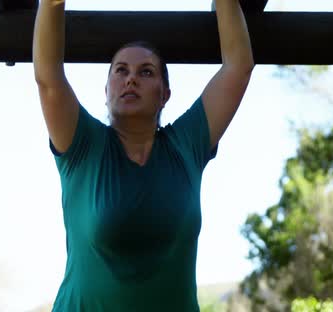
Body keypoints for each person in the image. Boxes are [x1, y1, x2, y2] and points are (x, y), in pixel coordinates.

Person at [32, 0, 254, 310]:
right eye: (120, 71)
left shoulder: (186, 144)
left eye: (146, 72)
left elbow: (238, 67)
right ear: (106, 89)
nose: (131, 79)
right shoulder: (83, 145)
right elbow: (48, 78)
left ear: (165, 94)